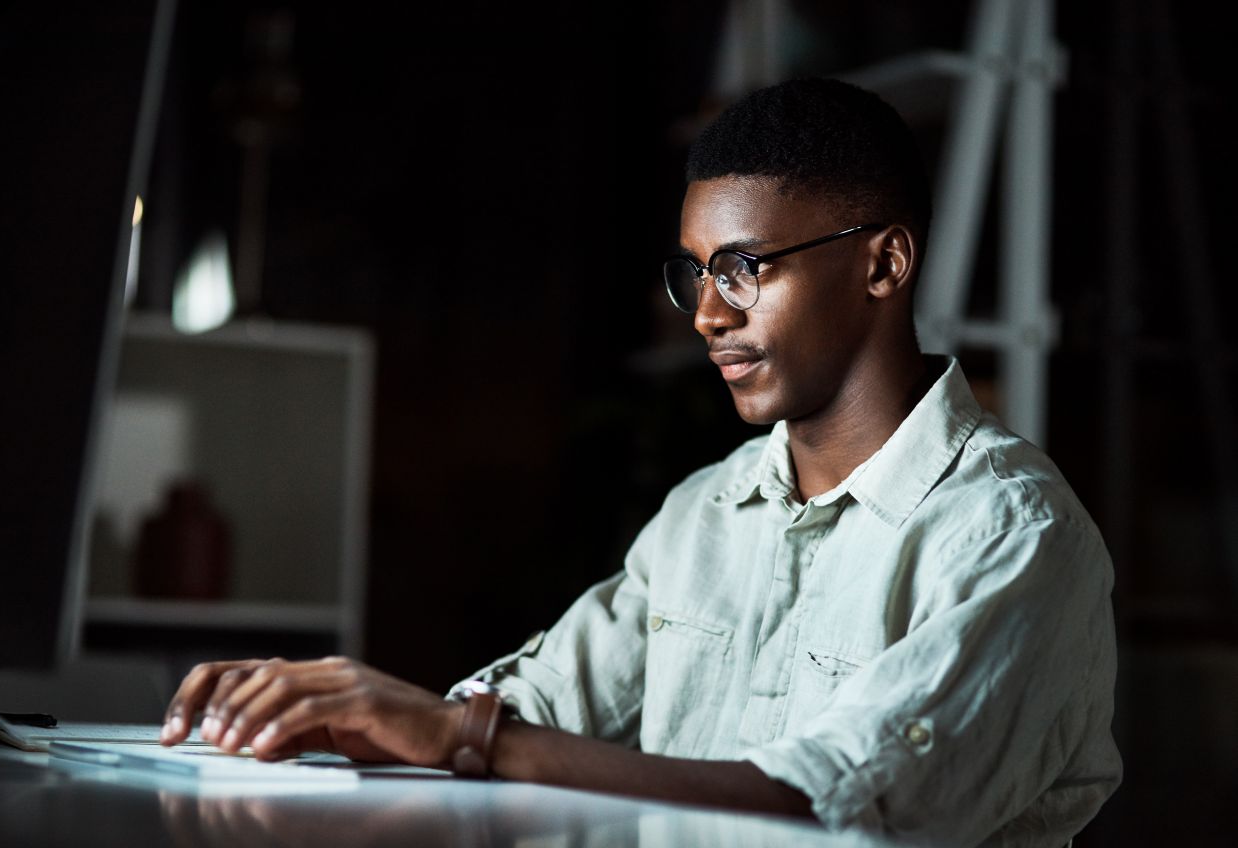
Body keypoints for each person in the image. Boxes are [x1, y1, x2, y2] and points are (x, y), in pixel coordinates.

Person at [160, 77, 1121, 845]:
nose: (707, 314)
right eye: (694, 274)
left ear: (883, 264)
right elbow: (535, 707)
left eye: (744, 268)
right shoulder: (706, 513)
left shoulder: (1014, 535)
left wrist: (460, 739)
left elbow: (850, 811)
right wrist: (336, 716)